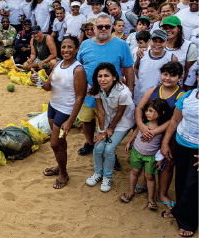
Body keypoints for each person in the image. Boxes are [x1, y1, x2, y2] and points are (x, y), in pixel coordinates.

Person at [76, 14, 135, 164]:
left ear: (112, 28)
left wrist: (130, 90)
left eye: (107, 26)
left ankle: (110, 153)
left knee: (109, 124)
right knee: (87, 119)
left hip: (111, 95)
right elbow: (78, 67)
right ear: (94, 28)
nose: (103, 29)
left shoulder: (122, 45)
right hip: (88, 93)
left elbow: (128, 68)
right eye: (100, 26)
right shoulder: (85, 44)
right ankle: (90, 143)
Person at [33, 35, 87, 188]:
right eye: (63, 47)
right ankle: (60, 167)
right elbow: (48, 86)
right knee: (58, 145)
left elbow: (80, 97)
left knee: (55, 143)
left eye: (70, 47)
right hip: (53, 106)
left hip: (66, 111)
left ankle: (63, 173)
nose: (66, 50)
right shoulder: (57, 65)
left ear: (76, 49)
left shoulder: (78, 70)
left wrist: (70, 120)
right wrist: (38, 82)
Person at [134, 61, 184, 206]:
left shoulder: (181, 95)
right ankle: (145, 182)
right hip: (148, 131)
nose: (167, 78)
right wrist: (142, 126)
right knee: (146, 157)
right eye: (165, 74)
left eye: (172, 75)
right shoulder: (153, 90)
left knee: (167, 163)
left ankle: (162, 194)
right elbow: (139, 109)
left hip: (168, 135)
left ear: (180, 77)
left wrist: (156, 132)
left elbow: (174, 119)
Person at [160, 69, 199, 237]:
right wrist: (166, 142)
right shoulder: (188, 96)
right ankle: (178, 210)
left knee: (193, 184)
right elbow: (175, 120)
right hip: (182, 143)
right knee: (181, 180)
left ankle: (188, 221)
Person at [86, 62, 135, 192]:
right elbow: (100, 111)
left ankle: (107, 176)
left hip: (123, 120)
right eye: (99, 76)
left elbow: (120, 113)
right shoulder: (97, 88)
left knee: (109, 149)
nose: (102, 79)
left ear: (114, 77)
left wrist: (110, 128)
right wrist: (102, 130)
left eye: (106, 76)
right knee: (98, 146)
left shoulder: (123, 92)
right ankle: (98, 173)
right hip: (107, 118)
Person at [121, 98, 170, 209]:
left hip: (151, 157)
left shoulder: (162, 128)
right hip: (136, 152)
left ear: (162, 113)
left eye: (151, 111)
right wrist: (129, 142)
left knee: (150, 177)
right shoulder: (143, 123)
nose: (147, 113)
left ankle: (151, 199)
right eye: (147, 110)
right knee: (135, 171)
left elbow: (163, 143)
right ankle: (131, 191)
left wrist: (160, 159)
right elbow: (136, 131)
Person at [134, 29, 177, 105]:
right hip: (140, 96)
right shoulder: (142, 54)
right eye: (155, 41)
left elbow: (175, 76)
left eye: (161, 41)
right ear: (149, 41)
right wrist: (141, 80)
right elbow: (137, 67)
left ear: (167, 42)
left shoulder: (171, 58)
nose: (158, 44)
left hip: (159, 99)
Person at [160, 16, 197, 85]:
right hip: (158, 87)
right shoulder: (157, 45)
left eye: (171, 27)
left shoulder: (189, 46)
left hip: (178, 87)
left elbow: (188, 72)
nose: (168, 30)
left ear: (179, 28)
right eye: (165, 28)